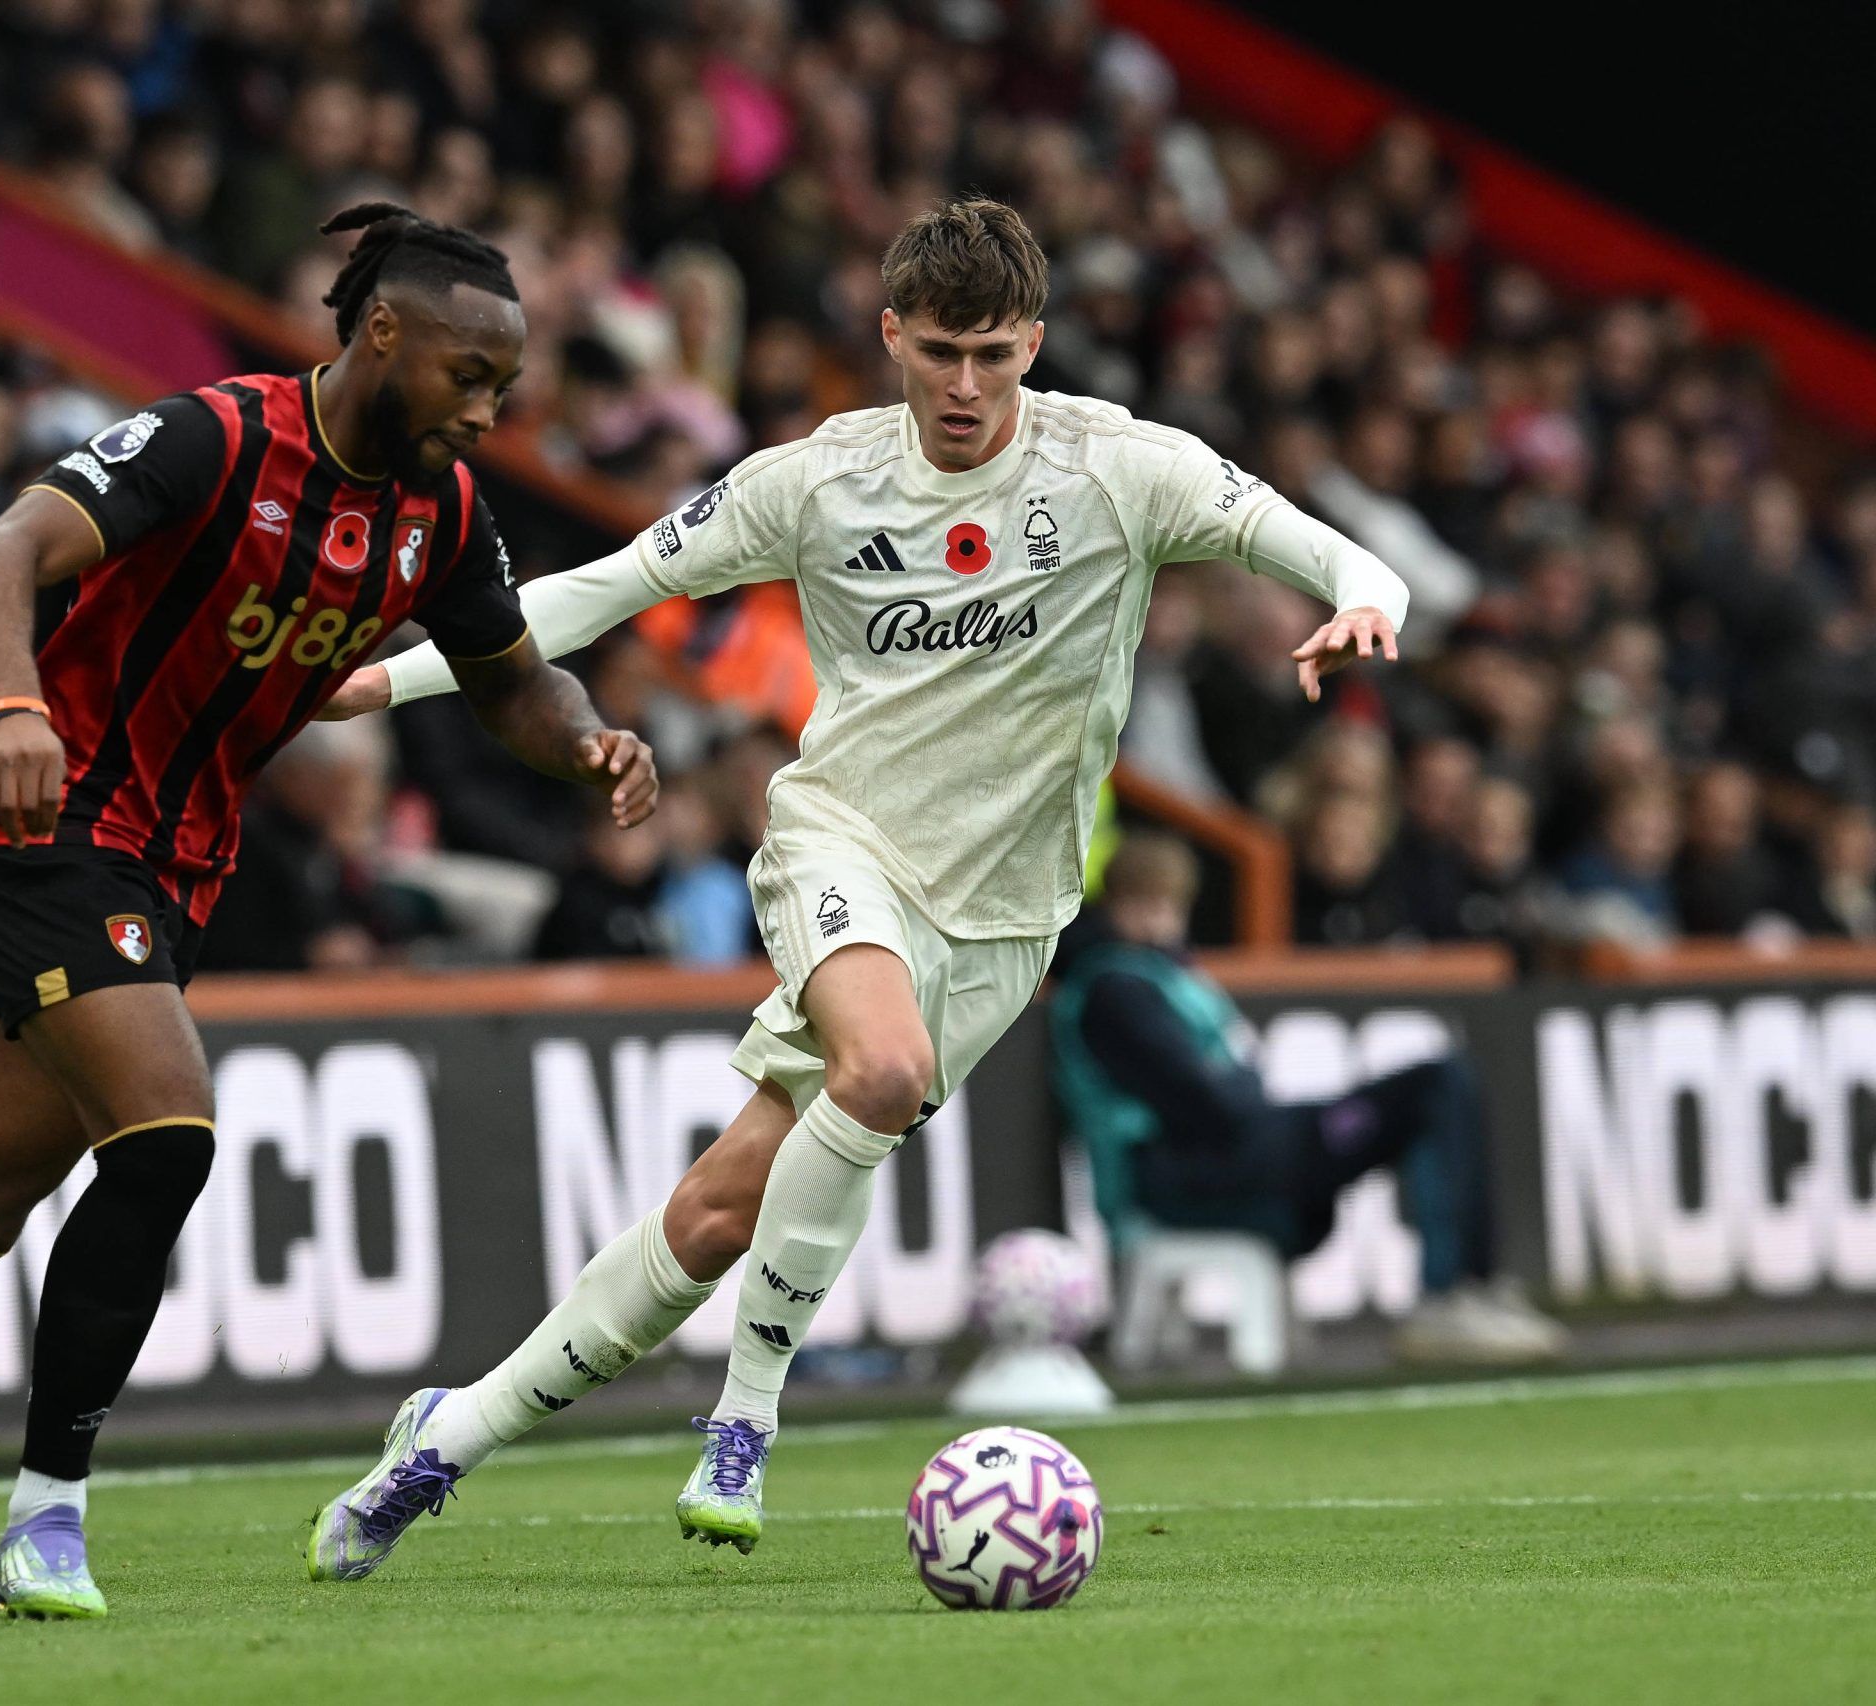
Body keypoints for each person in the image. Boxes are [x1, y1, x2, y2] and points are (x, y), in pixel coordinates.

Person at [305, 196, 1411, 1576]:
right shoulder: (817, 482)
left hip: (1004, 918)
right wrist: (392, 677)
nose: (966, 386)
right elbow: (600, 588)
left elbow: (1320, 544)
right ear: (891, 335)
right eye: (940, 350)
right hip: (843, 848)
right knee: (878, 1072)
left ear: (1036, 344)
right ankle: (747, 1421)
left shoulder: (1117, 468)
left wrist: (1372, 600)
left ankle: (447, 1434)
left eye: (996, 355)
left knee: (716, 1213)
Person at [0, 204, 657, 1621]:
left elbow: (513, 685)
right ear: (382, 334)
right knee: (170, 1130)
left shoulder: (444, 516)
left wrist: (592, 736)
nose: (487, 411)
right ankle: (44, 1514)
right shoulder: (217, 439)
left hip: (176, 866)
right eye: (468, 376)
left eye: (505, 387)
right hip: (39, 825)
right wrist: (10, 702)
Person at [1050, 832, 1567, 1365]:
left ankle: (1472, 1284)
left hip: (1242, 1152)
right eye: (1141, 903)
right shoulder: (1114, 990)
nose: (1157, 919)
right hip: (1180, 1172)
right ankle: (1446, 1297)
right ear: (1111, 906)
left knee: (1442, 1082)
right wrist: (1268, 1108)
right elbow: (1205, 1102)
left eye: (1168, 904)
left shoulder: (1168, 977)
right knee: (1431, 1087)